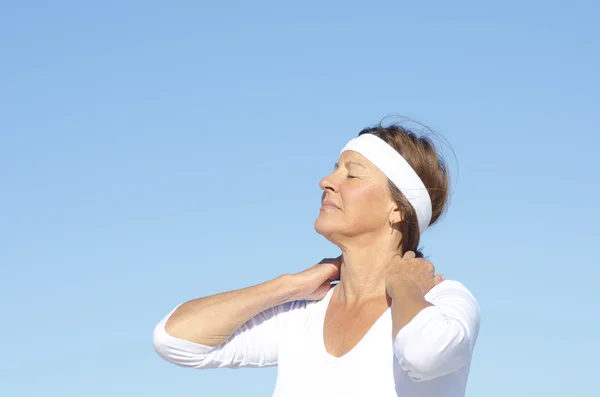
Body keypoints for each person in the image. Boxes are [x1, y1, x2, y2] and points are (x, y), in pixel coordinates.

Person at [152, 123, 481, 397]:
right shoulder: (304, 311)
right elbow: (174, 339)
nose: (326, 181)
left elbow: (423, 354)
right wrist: (288, 285)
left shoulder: (443, 300)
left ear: (397, 207)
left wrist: (405, 286)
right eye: (335, 169)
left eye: (352, 175)